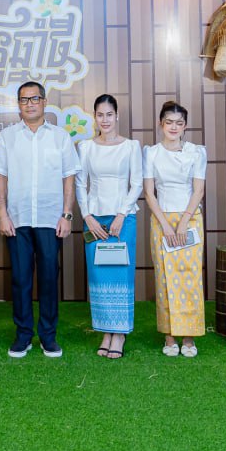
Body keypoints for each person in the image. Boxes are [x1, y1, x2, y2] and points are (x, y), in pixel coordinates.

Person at [0, 81, 80, 358]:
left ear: (44, 102)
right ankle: (23, 335)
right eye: (24, 99)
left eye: (35, 99)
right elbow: (2, 177)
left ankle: (48, 336)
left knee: (48, 278)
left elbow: (69, 177)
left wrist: (67, 215)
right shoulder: (7, 137)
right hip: (17, 218)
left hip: (50, 217)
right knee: (20, 279)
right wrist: (2, 213)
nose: (29, 104)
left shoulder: (60, 137)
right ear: (18, 104)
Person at [76, 94, 142, 358]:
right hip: (95, 220)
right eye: (100, 115)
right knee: (99, 276)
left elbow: (137, 183)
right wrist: (87, 217)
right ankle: (105, 331)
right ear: (95, 117)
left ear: (117, 116)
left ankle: (120, 333)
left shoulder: (131, 146)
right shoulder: (85, 147)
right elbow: (80, 184)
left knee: (121, 276)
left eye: (109, 114)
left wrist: (121, 214)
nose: (105, 120)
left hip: (123, 220)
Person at [143, 100, 207, 358]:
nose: (173, 127)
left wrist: (182, 222)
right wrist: (165, 225)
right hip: (161, 220)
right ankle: (169, 336)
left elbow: (198, 190)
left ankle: (189, 336)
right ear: (161, 123)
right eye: (169, 122)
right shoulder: (151, 153)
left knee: (190, 275)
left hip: (190, 219)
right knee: (165, 277)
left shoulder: (196, 152)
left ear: (185, 126)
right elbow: (149, 193)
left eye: (179, 123)